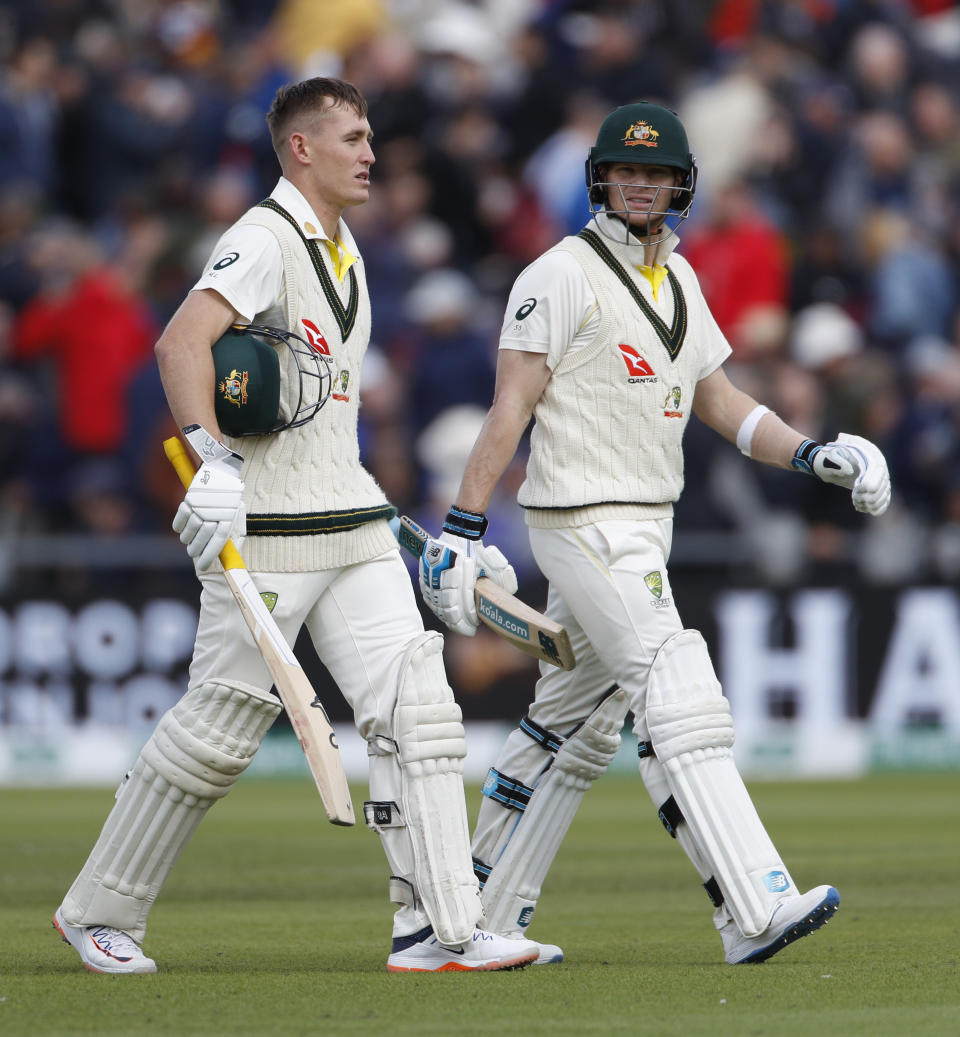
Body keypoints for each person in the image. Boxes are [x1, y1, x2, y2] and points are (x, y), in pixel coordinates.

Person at [52, 76, 538, 975]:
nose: (370, 153)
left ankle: (441, 926)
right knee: (221, 729)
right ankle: (97, 910)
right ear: (302, 148)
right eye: (352, 138)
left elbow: (325, 419)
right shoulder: (265, 236)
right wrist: (210, 462)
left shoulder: (345, 245)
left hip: (351, 520)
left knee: (418, 711)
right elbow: (179, 343)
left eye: (370, 136)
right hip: (266, 528)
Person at [417, 101, 891, 966]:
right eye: (627, 170)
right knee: (680, 689)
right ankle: (753, 907)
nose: (641, 184)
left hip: (648, 522)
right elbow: (510, 406)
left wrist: (814, 454)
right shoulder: (559, 272)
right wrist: (462, 523)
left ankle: (471, 914)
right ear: (602, 177)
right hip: (582, 519)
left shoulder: (680, 281)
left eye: (658, 172)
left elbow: (723, 404)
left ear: (681, 185)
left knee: (573, 725)